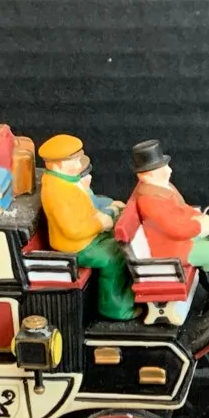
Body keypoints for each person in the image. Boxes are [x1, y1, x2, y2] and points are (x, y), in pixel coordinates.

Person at [126, 139, 209, 302]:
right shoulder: (150, 201)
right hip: (170, 248)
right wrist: (200, 226)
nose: (169, 170)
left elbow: (182, 207)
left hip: (178, 239)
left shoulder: (162, 187)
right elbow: (175, 230)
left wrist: (197, 215)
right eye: (163, 168)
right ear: (148, 174)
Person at [37, 134, 137, 321]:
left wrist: (106, 211)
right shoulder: (57, 191)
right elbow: (73, 230)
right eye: (74, 161)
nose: (79, 165)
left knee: (125, 241)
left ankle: (130, 292)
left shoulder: (68, 180)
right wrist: (100, 223)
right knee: (113, 257)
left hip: (89, 237)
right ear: (58, 165)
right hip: (77, 246)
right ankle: (114, 308)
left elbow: (87, 205)